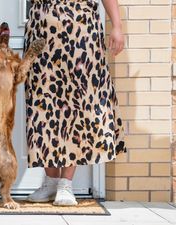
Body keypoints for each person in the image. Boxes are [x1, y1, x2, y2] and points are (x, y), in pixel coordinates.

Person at [23, 0, 126, 206]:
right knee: (42, 105)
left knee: (77, 103)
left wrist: (117, 25)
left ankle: (65, 183)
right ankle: (51, 181)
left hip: (80, 29)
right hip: (41, 31)